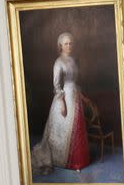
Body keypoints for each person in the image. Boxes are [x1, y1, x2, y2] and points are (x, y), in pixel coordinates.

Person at [30, 32, 90, 174]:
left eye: (70, 43)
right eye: (65, 44)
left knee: (78, 130)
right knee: (65, 131)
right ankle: (65, 161)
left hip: (75, 96)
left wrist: (83, 96)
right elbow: (57, 85)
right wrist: (62, 103)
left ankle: (79, 161)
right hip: (65, 98)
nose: (68, 46)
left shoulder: (73, 60)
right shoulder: (59, 62)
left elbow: (75, 81)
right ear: (60, 46)